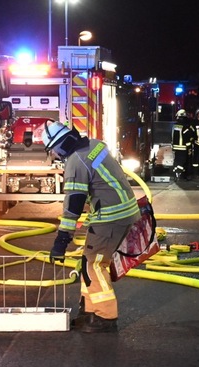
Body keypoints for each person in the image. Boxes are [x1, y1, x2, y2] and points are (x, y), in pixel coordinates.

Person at [44, 121, 141, 333]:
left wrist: (61, 241)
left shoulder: (75, 163)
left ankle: (105, 316)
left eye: (53, 150)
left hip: (111, 217)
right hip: (124, 212)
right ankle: (89, 311)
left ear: (60, 145)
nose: (54, 154)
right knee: (87, 262)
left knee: (94, 265)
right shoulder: (95, 145)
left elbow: (73, 207)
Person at [172, 109, 197, 181]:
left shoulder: (175, 126)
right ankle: (181, 176)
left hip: (176, 147)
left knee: (177, 161)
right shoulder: (185, 126)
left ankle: (176, 175)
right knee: (183, 162)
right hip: (183, 147)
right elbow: (188, 136)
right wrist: (190, 144)